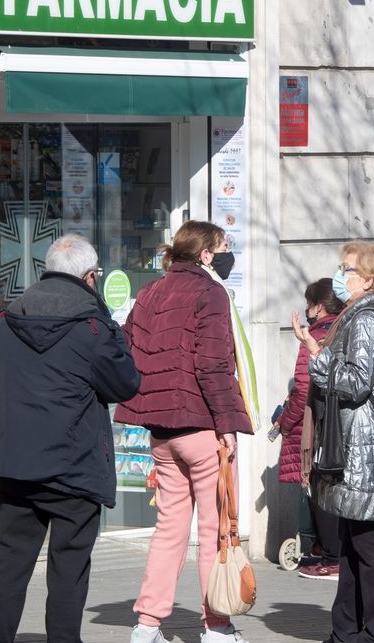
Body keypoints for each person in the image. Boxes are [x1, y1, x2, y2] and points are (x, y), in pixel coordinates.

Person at [0, 234, 142, 643]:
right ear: (89, 277)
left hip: (14, 470)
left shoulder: (7, 321)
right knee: (69, 569)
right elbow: (126, 383)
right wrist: (113, 329)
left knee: (7, 566)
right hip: (74, 469)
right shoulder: (92, 326)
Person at [118, 220, 253, 643]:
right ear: (207, 254)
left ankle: (147, 624)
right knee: (214, 529)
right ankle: (216, 625)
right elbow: (212, 365)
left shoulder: (150, 293)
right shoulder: (209, 292)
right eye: (225, 246)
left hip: (161, 430)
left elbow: (127, 348)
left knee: (169, 529)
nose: (230, 253)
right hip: (200, 427)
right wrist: (228, 424)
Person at [292, 241, 374, 643]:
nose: (340, 274)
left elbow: (356, 383)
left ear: (368, 279)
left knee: (369, 544)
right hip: (354, 443)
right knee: (353, 542)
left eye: (347, 268)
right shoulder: (356, 316)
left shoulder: (368, 320)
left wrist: (315, 354)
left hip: (364, 445)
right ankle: (347, 631)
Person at [277, 278, 345, 581]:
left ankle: (331, 557)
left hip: (315, 426)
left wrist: (285, 422)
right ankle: (324, 547)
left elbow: (304, 387)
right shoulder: (345, 328)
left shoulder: (314, 336)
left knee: (319, 488)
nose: (306, 309)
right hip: (339, 424)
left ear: (318, 306)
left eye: (309, 303)